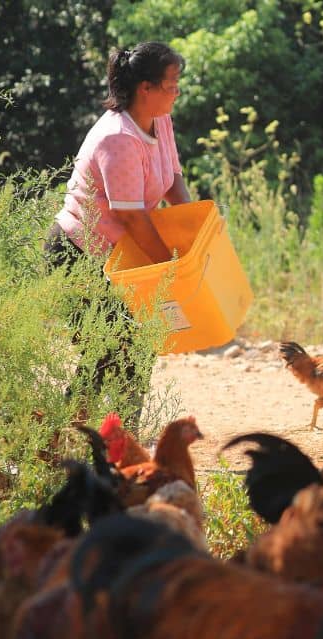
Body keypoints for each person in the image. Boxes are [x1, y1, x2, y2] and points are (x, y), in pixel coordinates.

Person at [46, 41, 192, 417]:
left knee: (129, 351)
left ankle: (122, 451)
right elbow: (131, 217)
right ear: (146, 88)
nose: (177, 92)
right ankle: (61, 443)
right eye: (172, 84)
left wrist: (194, 229)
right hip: (77, 255)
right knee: (112, 352)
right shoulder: (118, 139)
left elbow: (173, 178)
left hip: (117, 256)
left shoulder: (160, 120)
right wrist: (170, 269)